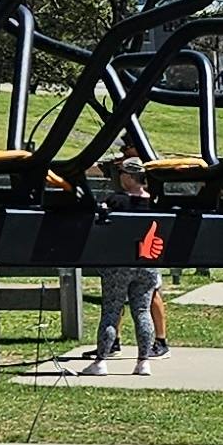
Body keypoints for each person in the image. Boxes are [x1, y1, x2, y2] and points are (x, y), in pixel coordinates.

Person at [90, 160, 164, 374]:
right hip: (147, 263)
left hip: (119, 263)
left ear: (130, 177)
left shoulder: (116, 200)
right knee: (142, 312)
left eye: (122, 173)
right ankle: (143, 362)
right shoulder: (155, 202)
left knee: (111, 312)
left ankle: (101, 361)